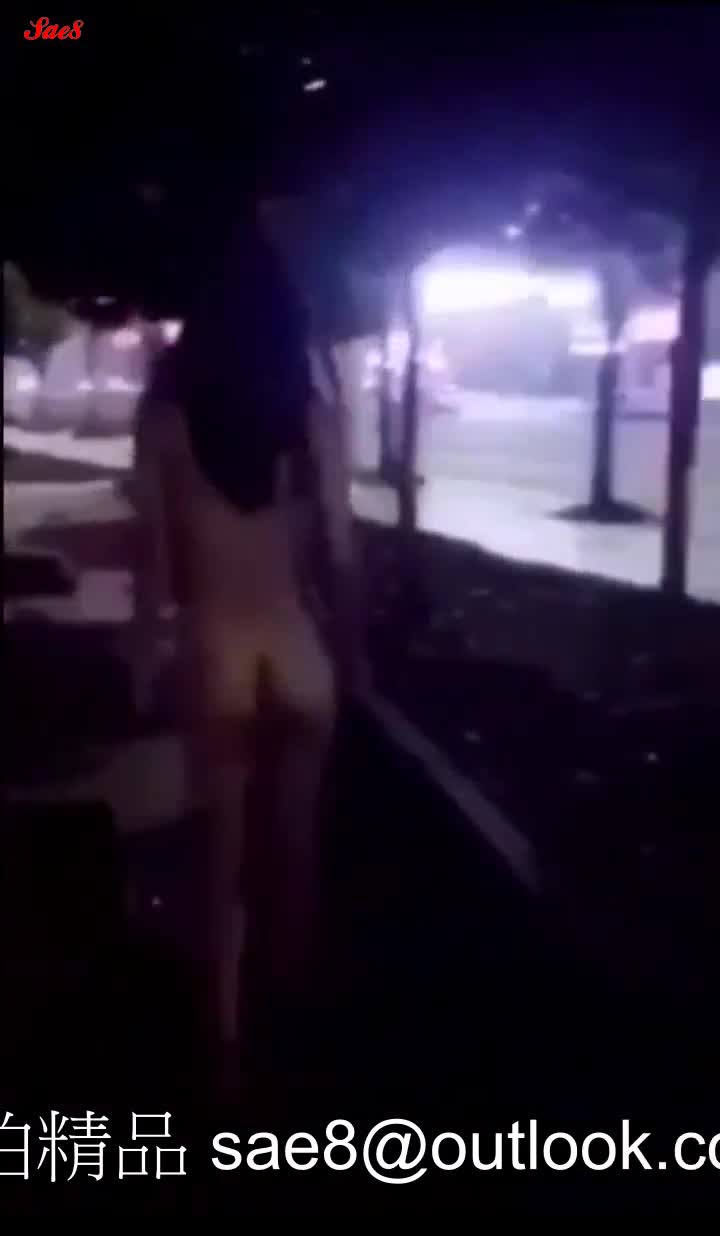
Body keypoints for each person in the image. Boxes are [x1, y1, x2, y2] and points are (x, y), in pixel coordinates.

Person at [129, 206, 362, 1072]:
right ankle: (293, 1020)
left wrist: (144, 659)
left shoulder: (164, 420)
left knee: (219, 861)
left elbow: (154, 569)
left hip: (217, 652)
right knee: (294, 853)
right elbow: (340, 550)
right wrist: (356, 654)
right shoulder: (310, 417)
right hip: (300, 656)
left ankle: (222, 1034)